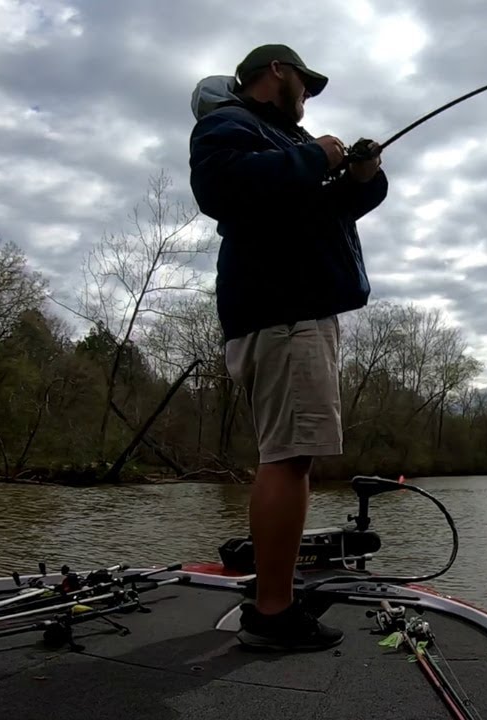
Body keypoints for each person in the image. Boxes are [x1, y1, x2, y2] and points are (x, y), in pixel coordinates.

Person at [187, 44, 388, 651]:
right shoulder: (231, 126)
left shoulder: (276, 140)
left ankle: (273, 596)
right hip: (283, 315)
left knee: (289, 454)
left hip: (295, 315)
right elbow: (219, 189)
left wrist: (359, 178)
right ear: (278, 72)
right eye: (305, 80)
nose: (308, 93)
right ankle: (273, 612)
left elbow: (324, 210)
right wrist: (311, 156)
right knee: (289, 456)